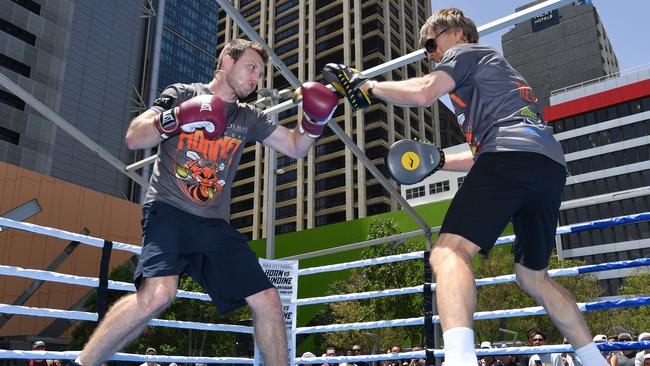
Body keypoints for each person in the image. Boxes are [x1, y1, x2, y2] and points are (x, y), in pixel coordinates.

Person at [324, 7, 609, 366]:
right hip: (547, 166)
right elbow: (486, 157)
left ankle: (460, 359)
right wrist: (441, 160)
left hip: (510, 156)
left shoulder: (466, 52)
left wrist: (367, 86)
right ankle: (594, 359)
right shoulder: (495, 79)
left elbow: (425, 92)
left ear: (456, 32)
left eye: (431, 44)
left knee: (448, 253)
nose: (431, 55)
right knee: (532, 275)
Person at [74, 39, 339, 366]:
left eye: (260, 72)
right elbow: (134, 135)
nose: (257, 77)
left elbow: (295, 146)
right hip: (168, 211)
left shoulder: (248, 117)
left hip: (214, 225)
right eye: (251, 67)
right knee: (158, 294)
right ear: (227, 62)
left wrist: (314, 121)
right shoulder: (183, 94)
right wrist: (179, 116)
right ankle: (83, 363)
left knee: (269, 300)